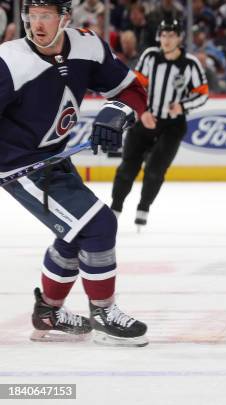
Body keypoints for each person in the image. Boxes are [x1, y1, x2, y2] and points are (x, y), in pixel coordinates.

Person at [0, 0, 151, 346]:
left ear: (65, 18)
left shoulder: (87, 45)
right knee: (99, 225)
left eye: (46, 16)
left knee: (75, 233)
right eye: (30, 16)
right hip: (20, 166)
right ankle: (103, 311)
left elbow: (132, 88)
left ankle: (48, 312)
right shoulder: (8, 60)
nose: (36, 25)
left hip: (55, 157)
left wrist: (116, 112)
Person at [111, 19, 208, 228]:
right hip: (146, 119)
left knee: (155, 169)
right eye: (163, 35)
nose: (167, 39)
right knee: (127, 167)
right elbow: (136, 87)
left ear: (179, 38)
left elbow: (202, 94)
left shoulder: (190, 64)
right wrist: (142, 111)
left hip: (172, 126)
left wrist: (183, 106)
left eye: (171, 35)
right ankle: (115, 207)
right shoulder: (149, 57)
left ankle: (144, 207)